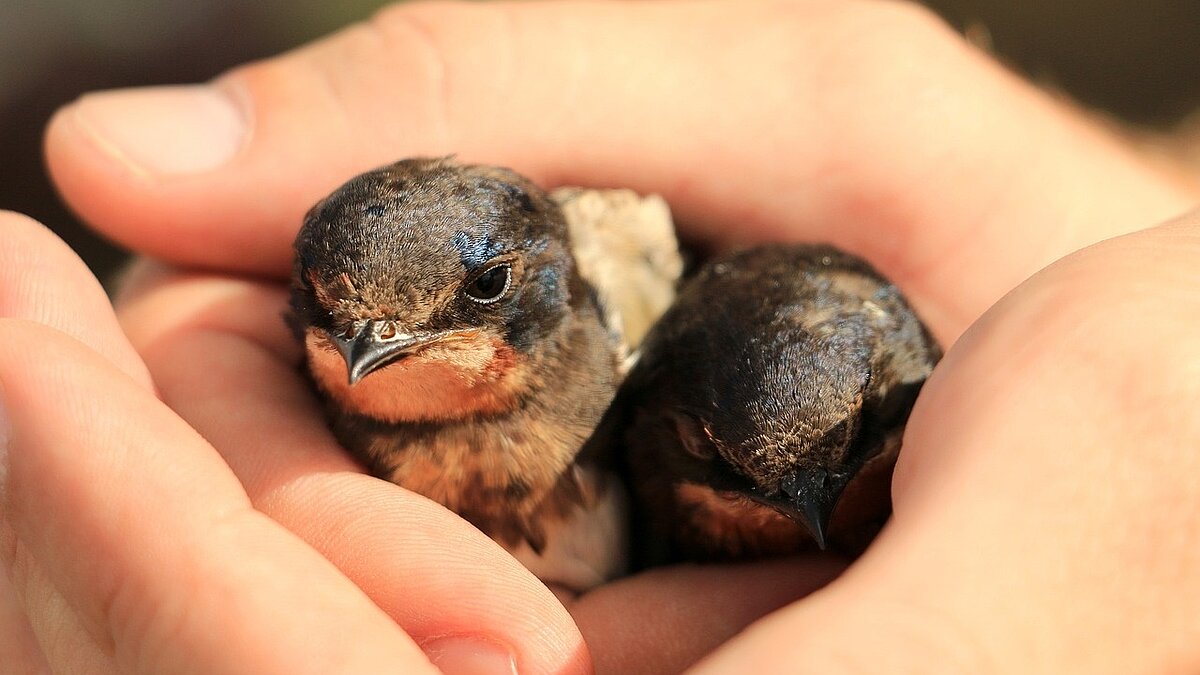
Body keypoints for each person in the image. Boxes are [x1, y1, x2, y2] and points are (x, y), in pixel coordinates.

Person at [3, 1, 1199, 672]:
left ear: (548, 293)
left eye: (470, 306)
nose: (373, 349)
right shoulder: (318, 394)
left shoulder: (630, 285)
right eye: (340, 325)